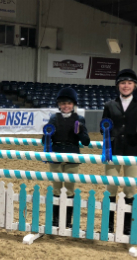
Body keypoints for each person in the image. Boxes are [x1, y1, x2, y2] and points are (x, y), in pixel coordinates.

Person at [101, 69, 137, 234]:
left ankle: (126, 227)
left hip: (133, 149)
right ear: (118, 85)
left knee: (129, 189)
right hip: (113, 150)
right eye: (123, 83)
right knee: (111, 187)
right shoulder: (109, 105)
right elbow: (103, 128)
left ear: (134, 85)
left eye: (129, 83)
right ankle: (108, 225)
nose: (126, 86)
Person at [42, 87, 90, 228]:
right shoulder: (53, 118)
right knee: (56, 189)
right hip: (56, 155)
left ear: (73, 104)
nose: (66, 106)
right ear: (59, 105)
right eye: (63, 103)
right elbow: (44, 141)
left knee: (69, 189)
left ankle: (68, 221)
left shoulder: (79, 119)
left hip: (72, 157)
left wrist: (80, 131)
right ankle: (56, 219)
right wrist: (47, 134)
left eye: (69, 103)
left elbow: (86, 141)